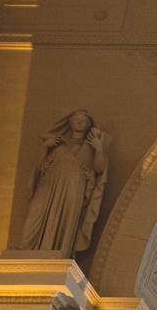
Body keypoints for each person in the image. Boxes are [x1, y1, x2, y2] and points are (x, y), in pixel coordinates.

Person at [18, 110, 110, 258]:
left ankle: (60, 253)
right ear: (70, 122)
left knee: (66, 219)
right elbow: (40, 166)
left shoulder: (90, 147)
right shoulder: (57, 143)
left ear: (89, 125)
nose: (79, 122)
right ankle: (25, 247)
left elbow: (100, 169)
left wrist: (99, 148)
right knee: (36, 210)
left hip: (73, 187)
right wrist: (45, 147)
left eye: (83, 120)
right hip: (49, 184)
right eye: (76, 119)